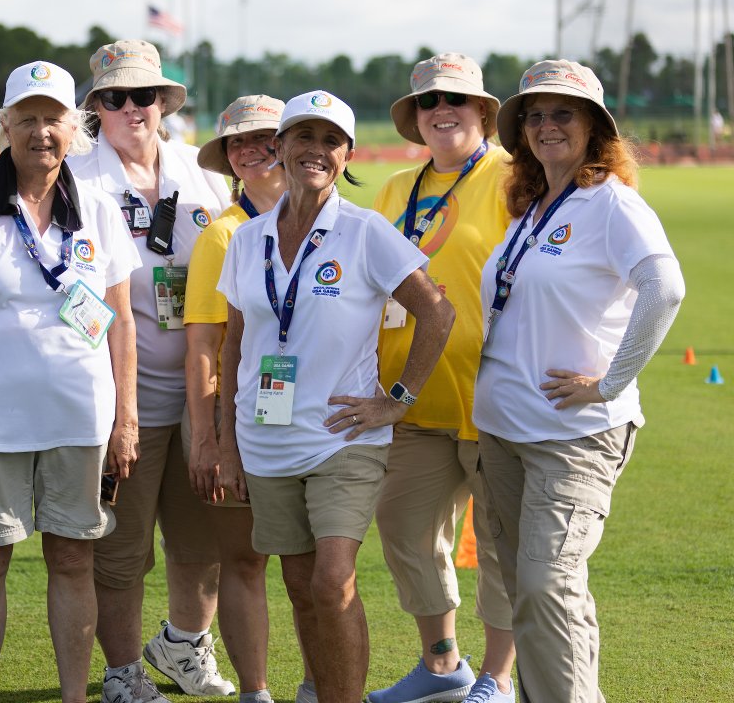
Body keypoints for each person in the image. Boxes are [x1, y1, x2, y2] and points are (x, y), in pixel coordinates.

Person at [217, 91, 455, 703]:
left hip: (343, 437)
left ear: (347, 154)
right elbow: (234, 345)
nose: (315, 151)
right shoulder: (248, 240)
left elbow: (437, 312)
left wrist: (397, 399)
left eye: (331, 141)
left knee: (331, 581)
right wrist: (224, 438)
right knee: (300, 587)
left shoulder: (365, 231)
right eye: (304, 137)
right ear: (281, 146)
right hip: (264, 438)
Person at [0, 60, 139, 703]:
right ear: (5, 126)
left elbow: (121, 323)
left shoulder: (97, 208)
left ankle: (72, 697)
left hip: (81, 421)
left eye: (54, 119)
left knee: (74, 560)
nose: (41, 131)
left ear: (76, 128)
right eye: (28, 118)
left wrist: (125, 420)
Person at [474, 60, 684, 702]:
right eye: (534, 116)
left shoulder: (612, 204)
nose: (545, 126)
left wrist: (610, 381)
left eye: (562, 113)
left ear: (595, 127)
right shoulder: (530, 208)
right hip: (502, 432)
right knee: (530, 591)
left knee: (547, 584)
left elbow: (664, 287)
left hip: (575, 434)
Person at [72, 39, 234, 703]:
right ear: (97, 108)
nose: (132, 108)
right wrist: (101, 364)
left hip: (200, 390)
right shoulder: (77, 179)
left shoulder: (204, 175)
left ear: (165, 103)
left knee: (203, 539)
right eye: (116, 98)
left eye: (145, 96)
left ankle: (184, 645)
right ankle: (120, 672)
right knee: (123, 548)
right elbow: (66, 286)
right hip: (119, 396)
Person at [366, 54, 517, 703]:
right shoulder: (395, 189)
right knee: (404, 528)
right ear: (415, 117)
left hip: (497, 402)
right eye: (429, 101)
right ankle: (442, 664)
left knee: (503, 546)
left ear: (483, 111)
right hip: (409, 400)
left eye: (457, 98)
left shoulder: (516, 177)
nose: (442, 110)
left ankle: (498, 677)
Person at [184, 94, 313, 703]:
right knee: (245, 561)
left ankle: (321, 682)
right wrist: (208, 437)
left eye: (265, 137)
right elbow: (205, 347)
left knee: (313, 567)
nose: (253, 150)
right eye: (238, 142)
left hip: (314, 422)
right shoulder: (222, 235)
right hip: (240, 422)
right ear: (228, 160)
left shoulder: (332, 221)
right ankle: (256, 692)